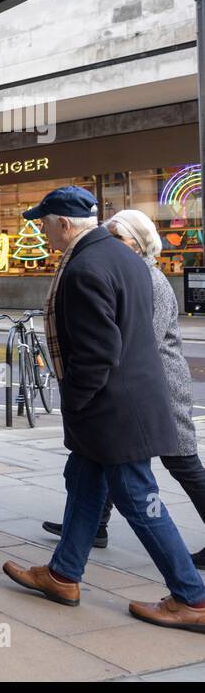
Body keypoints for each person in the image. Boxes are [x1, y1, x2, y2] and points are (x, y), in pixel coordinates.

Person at [2, 186, 205, 630]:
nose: (42, 230)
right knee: (84, 480)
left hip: (113, 409)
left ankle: (193, 597)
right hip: (125, 403)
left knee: (138, 498)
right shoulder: (126, 259)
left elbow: (98, 352)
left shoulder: (86, 267)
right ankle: (63, 574)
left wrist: (73, 400)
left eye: (44, 222)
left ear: (64, 224)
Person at [39, 207, 205, 570]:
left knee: (182, 465)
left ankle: (188, 592)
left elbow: (141, 338)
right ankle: (88, 537)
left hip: (158, 386)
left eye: (118, 237)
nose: (109, 243)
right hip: (132, 388)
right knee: (103, 461)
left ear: (137, 243)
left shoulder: (150, 278)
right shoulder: (124, 269)